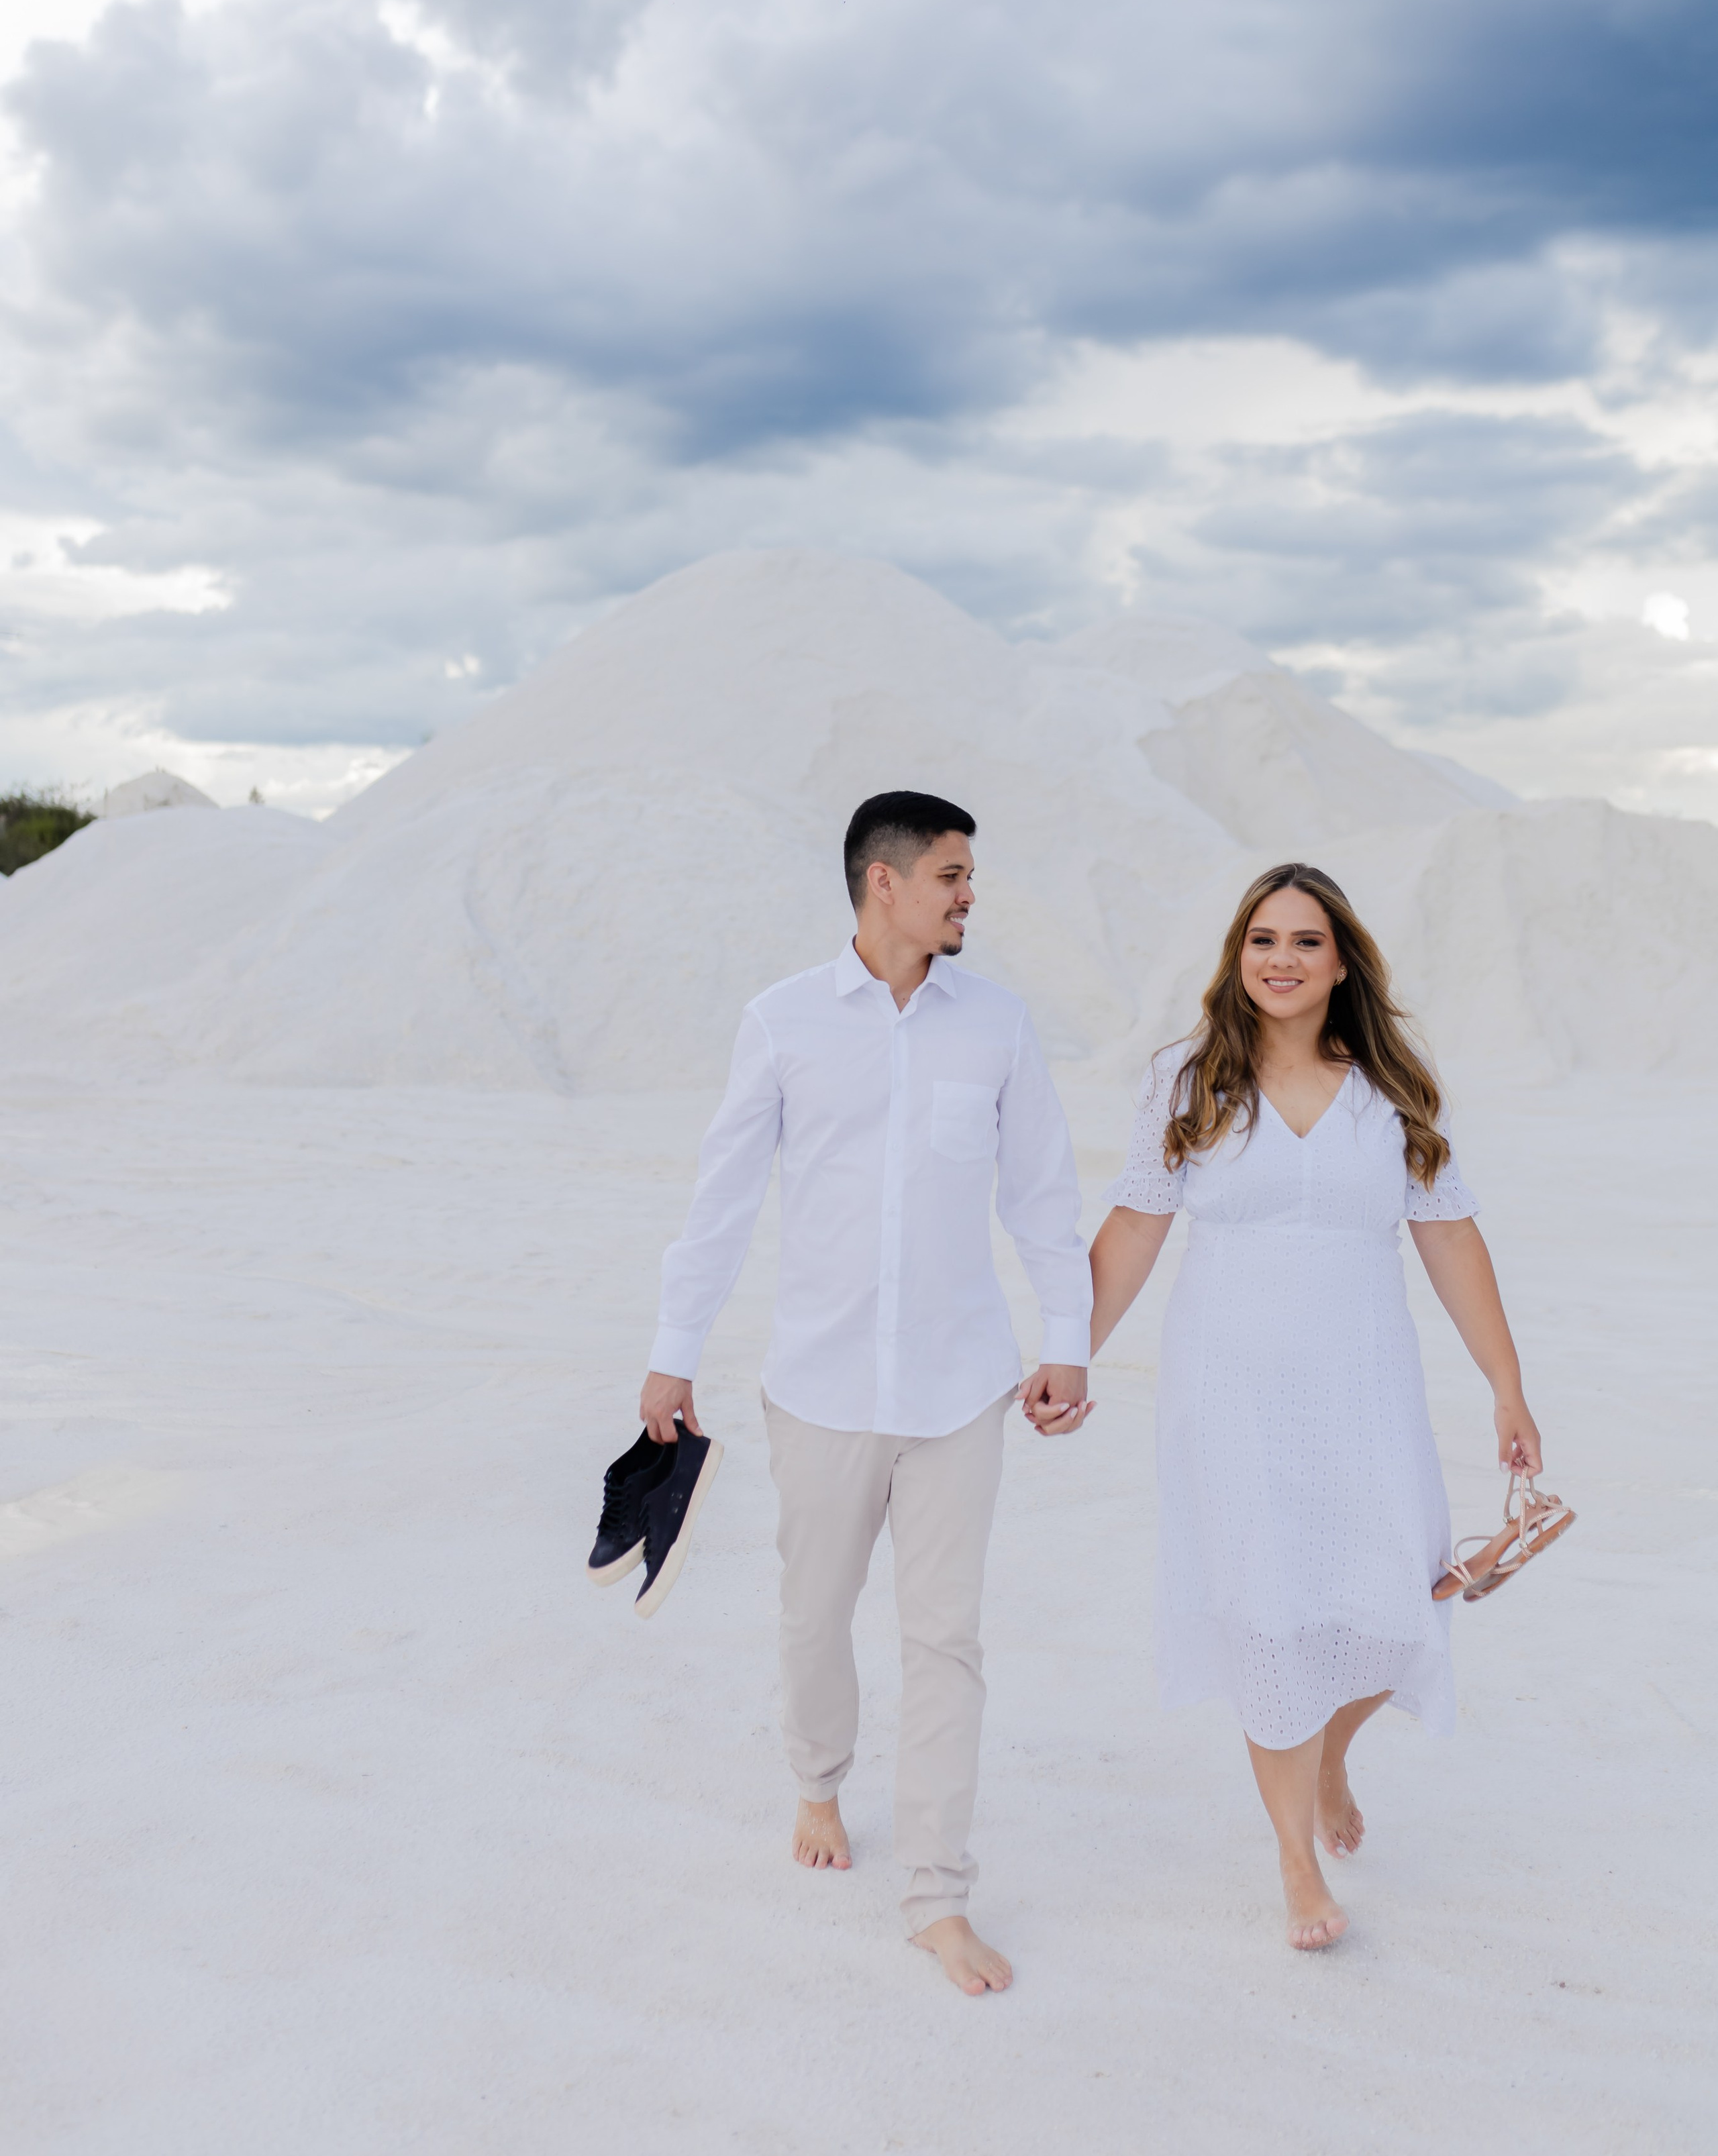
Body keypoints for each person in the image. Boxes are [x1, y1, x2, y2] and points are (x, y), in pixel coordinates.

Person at [1025, 861, 1542, 1951]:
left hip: (1366, 1388)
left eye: (1306, 942)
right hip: (1231, 1396)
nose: (1282, 960)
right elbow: (1131, 1231)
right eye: (1263, 940)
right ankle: (1297, 1861)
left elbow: (1451, 1239)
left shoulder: (1396, 1086)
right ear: (1238, 955)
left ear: (1341, 959)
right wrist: (1068, 1353)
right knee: (1269, 1614)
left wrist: (1508, 1385)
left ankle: (1333, 1756)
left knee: (1402, 1609)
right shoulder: (1189, 1080)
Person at [640, 791, 1092, 1996]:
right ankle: (819, 1782)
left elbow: (1044, 1195)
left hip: (961, 1393)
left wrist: (1069, 1341)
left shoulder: (997, 1025)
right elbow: (724, 1197)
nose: (967, 895)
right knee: (813, 1615)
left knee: (947, 1641)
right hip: (823, 1386)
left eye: (970, 875)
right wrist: (672, 1350)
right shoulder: (784, 1023)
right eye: (950, 874)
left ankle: (939, 1896)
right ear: (882, 883)